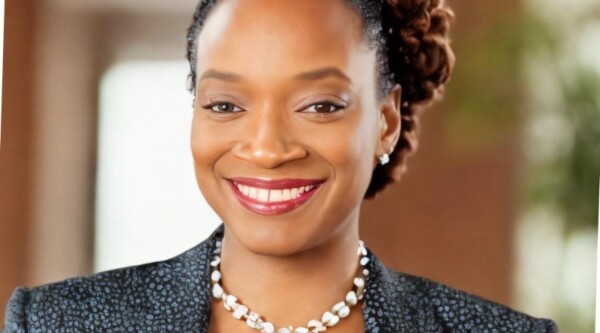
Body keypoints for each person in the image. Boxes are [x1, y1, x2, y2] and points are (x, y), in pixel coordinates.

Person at [3, 0, 558, 332]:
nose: (267, 150)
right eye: (225, 105)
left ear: (385, 121)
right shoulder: (56, 324)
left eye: (320, 106)